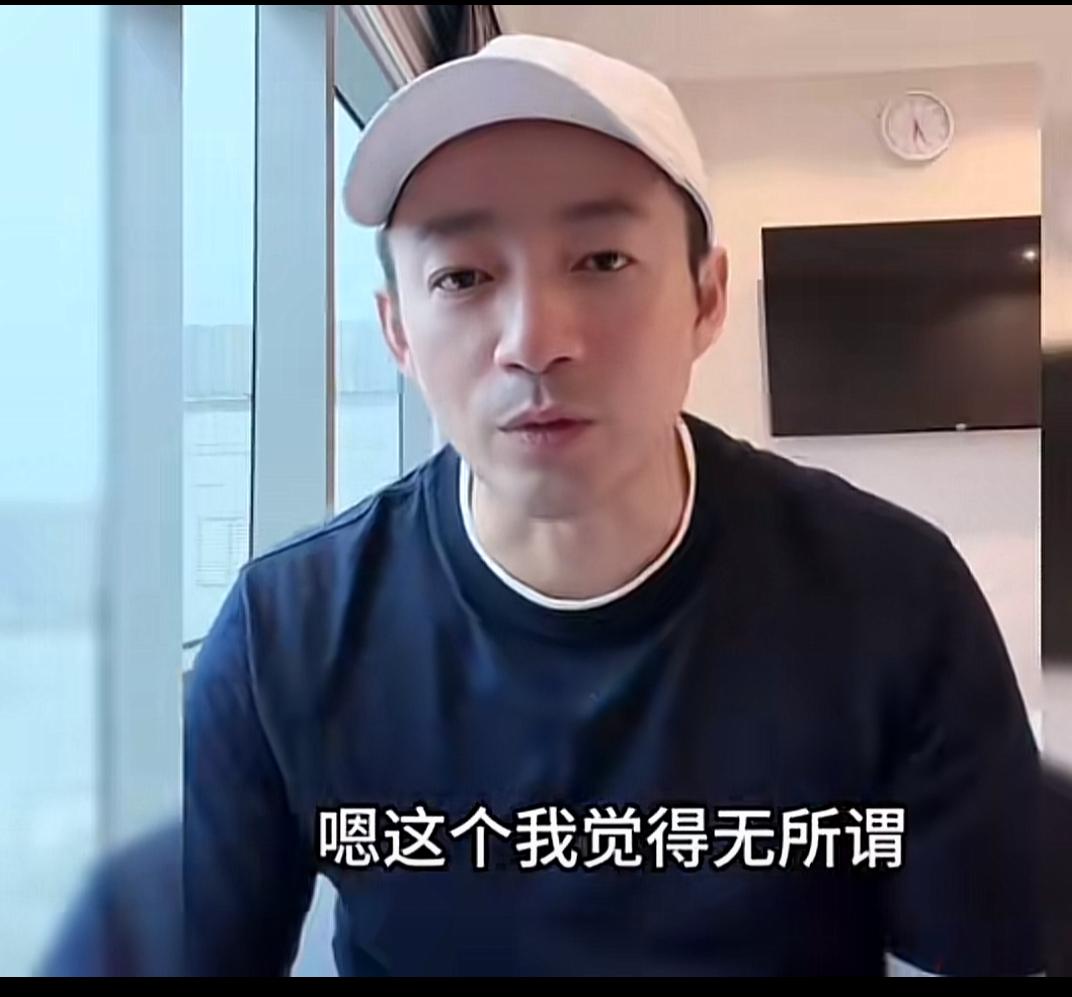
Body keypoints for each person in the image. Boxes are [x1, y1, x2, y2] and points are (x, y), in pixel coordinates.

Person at [184, 33, 1044, 976]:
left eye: (600, 259)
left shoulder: (894, 594)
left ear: (706, 297)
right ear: (398, 333)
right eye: (462, 277)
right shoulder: (284, 634)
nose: (533, 341)